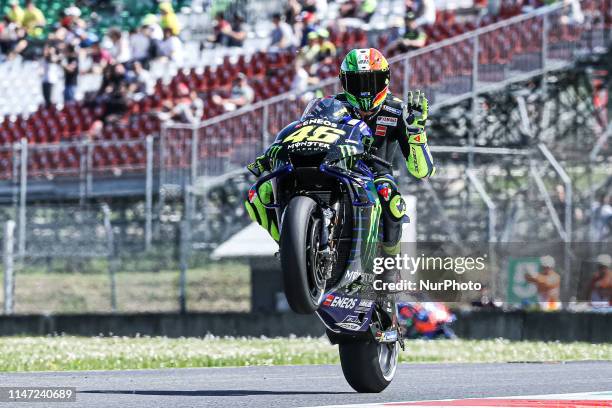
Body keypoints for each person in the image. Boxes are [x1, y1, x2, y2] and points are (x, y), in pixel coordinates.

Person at [246, 48, 435, 255]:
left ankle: (390, 265)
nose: (365, 91)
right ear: (344, 82)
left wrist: (417, 133)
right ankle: (291, 247)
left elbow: (423, 172)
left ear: (386, 80)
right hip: (335, 167)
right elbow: (304, 131)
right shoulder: (331, 105)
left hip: (374, 177)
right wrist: (274, 152)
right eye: (357, 82)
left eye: (371, 82)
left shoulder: (399, 111)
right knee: (259, 194)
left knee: (388, 194)